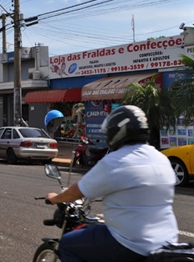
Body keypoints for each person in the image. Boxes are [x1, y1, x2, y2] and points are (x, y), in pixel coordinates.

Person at [45, 105, 178, 262]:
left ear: (118, 132)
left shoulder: (116, 161)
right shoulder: (160, 158)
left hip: (130, 243)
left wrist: (55, 198)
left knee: (67, 244)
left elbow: (77, 191)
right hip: (167, 241)